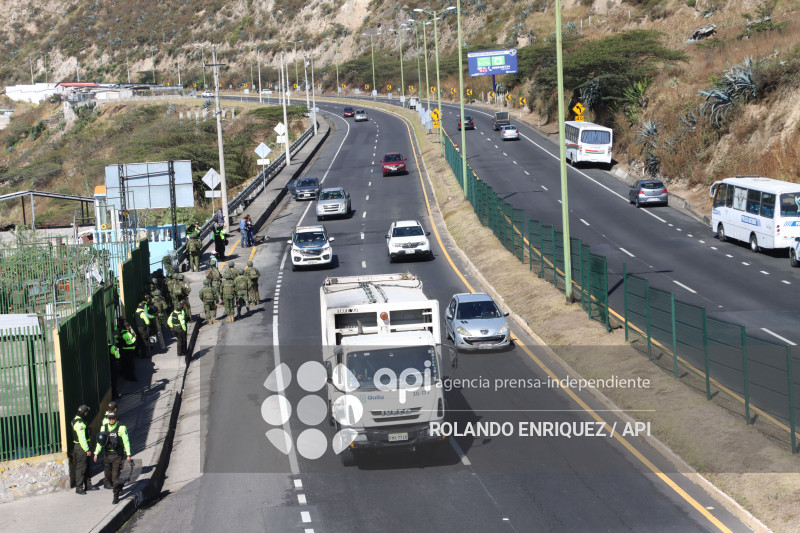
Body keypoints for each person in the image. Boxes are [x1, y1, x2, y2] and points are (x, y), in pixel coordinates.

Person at [94, 411, 131, 505]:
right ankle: (121, 484)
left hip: (117, 456)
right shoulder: (104, 427)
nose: (111, 420)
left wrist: (128, 454)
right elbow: (100, 441)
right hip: (107, 455)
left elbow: (126, 441)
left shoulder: (121, 428)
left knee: (115, 477)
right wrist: (96, 453)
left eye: (113, 418)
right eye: (109, 419)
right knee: (108, 476)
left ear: (116, 418)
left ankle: (115, 496)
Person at [69, 405, 95, 494]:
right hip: (81, 447)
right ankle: (79, 487)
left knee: (87, 465)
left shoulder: (76, 419)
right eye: (86, 412)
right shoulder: (79, 423)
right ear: (84, 413)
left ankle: (88, 485)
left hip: (82, 446)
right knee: (81, 467)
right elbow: (82, 438)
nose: (87, 413)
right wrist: (87, 449)